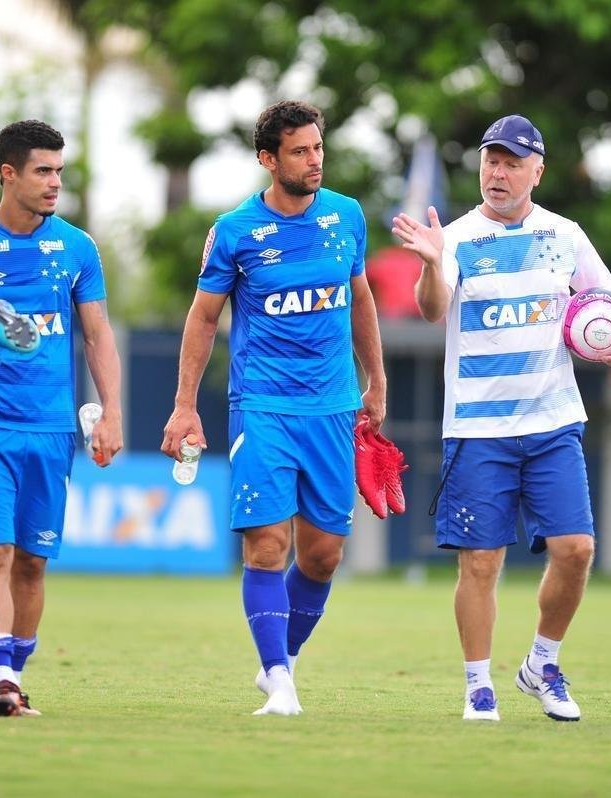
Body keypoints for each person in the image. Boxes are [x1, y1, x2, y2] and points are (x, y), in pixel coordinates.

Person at [392, 115, 611, 722]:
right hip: (477, 428)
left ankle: (542, 664)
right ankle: (478, 687)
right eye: (491, 161)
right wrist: (430, 263)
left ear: (537, 172)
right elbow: (432, 309)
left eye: (512, 163)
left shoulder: (564, 234)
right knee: (481, 562)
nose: (498, 173)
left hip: (552, 422)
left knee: (576, 549)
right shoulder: (455, 237)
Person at [161, 100, 387, 716]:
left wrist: (376, 382)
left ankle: (277, 663)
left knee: (323, 556)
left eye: (318, 148)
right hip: (263, 405)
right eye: (300, 151)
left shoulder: (346, 215)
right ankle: (282, 682)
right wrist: (184, 406)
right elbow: (203, 319)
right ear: (268, 158)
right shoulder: (234, 231)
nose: (314, 161)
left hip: (334, 408)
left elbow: (361, 299)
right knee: (267, 545)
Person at [0, 119, 123, 717]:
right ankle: (0, 678)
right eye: (43, 171)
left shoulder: (77, 248)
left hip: (52, 430)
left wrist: (112, 413)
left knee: (32, 562)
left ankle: (13, 679)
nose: (54, 183)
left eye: (59, 172)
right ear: (8, 173)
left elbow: (96, 334)